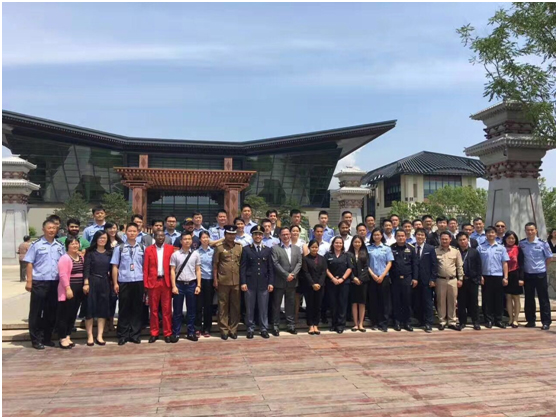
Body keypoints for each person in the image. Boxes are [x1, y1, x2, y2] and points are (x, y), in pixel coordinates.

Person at [24, 219, 65, 350]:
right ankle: (36, 339)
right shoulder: (36, 245)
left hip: (55, 282)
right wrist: (29, 281)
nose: (52, 230)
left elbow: (64, 262)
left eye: (54, 228)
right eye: (49, 228)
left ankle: (47, 337)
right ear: (43, 229)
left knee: (51, 311)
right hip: (39, 282)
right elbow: (29, 263)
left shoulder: (59, 245)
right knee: (36, 312)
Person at [111, 223, 146, 345]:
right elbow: (115, 266)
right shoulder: (119, 248)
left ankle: (135, 334)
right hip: (124, 281)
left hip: (138, 281)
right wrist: (115, 283)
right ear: (126, 232)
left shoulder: (142, 248)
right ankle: (123, 335)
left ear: (138, 233)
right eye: (130, 231)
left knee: (137, 308)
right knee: (123, 308)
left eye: (134, 231)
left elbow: (145, 266)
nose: (132, 233)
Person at [240, 225, 274, 339]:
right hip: (250, 283)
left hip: (263, 284)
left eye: (260, 234)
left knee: (263, 308)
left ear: (262, 236)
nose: (258, 236)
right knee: (250, 308)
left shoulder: (267, 250)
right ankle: (250, 329)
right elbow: (243, 268)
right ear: (252, 236)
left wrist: (271, 282)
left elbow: (270, 268)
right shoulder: (246, 249)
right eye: (255, 234)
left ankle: (264, 329)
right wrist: (243, 282)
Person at [520, 222, 553, 330]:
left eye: (532, 230)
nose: (530, 232)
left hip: (540, 274)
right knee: (529, 298)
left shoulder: (543, 243)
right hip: (527, 274)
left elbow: (549, 257)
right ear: (525, 231)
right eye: (528, 230)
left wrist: (543, 267)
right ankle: (530, 320)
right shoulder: (522, 244)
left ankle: (546, 322)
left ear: (536, 230)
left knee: (543, 298)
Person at [170, 231, 201, 342]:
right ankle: (176, 333)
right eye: (185, 239)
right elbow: (172, 270)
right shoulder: (175, 255)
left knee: (191, 311)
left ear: (191, 241)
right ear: (181, 241)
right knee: (177, 311)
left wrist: (198, 285)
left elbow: (198, 270)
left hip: (192, 284)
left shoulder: (196, 254)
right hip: (179, 285)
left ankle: (191, 332)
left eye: (189, 239)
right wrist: (173, 286)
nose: (187, 241)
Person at [213, 225, 243, 340]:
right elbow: (215, 265)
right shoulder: (219, 247)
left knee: (235, 306)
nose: (231, 236)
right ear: (225, 235)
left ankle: (233, 329)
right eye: (229, 234)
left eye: (233, 234)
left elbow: (241, 264)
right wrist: (215, 280)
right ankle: (224, 330)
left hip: (236, 281)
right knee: (223, 306)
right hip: (223, 281)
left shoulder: (239, 247)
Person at [143, 230, 174, 343]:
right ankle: (154, 333)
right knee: (154, 309)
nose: (160, 237)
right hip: (153, 282)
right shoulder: (148, 249)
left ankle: (167, 333)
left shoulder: (170, 249)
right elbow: (145, 267)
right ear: (154, 237)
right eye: (158, 236)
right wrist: (145, 284)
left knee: (167, 309)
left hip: (166, 282)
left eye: (162, 236)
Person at [271, 227, 302, 335]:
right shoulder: (275, 248)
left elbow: (299, 263)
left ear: (290, 235)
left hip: (292, 281)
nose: (285, 236)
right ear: (279, 236)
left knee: (290, 304)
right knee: (276, 305)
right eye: (283, 234)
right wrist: (286, 275)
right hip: (279, 281)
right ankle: (275, 326)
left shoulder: (297, 248)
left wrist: (293, 274)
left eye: (287, 234)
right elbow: (275, 263)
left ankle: (290, 325)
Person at [83, 231, 112, 346]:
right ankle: (90, 335)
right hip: (92, 281)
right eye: (100, 238)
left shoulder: (110, 253)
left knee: (102, 309)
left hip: (105, 282)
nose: (102, 240)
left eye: (104, 238)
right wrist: (86, 282)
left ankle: (100, 335)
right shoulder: (90, 252)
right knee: (89, 309)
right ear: (96, 239)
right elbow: (86, 268)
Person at [478, 226, 509, 329]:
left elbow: (504, 263)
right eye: (488, 233)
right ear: (485, 234)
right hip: (485, 276)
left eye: (492, 232)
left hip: (498, 276)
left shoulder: (501, 248)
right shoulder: (480, 247)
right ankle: (488, 320)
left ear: (496, 234)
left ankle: (498, 320)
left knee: (498, 299)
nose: (490, 234)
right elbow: (478, 263)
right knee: (487, 299)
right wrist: (480, 275)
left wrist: (505, 277)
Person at [56, 237, 84, 349]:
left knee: (73, 314)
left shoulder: (81, 257)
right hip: (69, 288)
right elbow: (62, 275)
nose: (75, 245)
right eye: (72, 244)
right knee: (64, 314)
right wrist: (67, 288)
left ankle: (68, 335)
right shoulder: (65, 258)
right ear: (67, 245)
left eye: (76, 243)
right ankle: (62, 337)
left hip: (79, 289)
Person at [390, 230, 419, 332]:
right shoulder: (391, 248)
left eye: (402, 236)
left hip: (408, 279)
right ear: (395, 237)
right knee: (396, 301)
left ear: (406, 237)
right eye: (398, 236)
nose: (401, 238)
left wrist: (415, 278)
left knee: (407, 301)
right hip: (395, 279)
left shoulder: (411, 248)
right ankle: (397, 322)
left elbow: (415, 264)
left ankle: (407, 322)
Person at [435, 231, 463, 331]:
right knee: (441, 301)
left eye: (446, 239)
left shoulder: (455, 251)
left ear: (450, 239)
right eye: (442, 239)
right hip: (440, 279)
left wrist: (460, 279)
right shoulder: (435, 251)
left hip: (452, 280)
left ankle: (452, 321)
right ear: (440, 240)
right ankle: (442, 321)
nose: (444, 241)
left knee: (452, 301)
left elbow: (459, 266)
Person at [367, 227, 393, 332]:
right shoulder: (368, 248)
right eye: (374, 235)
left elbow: (389, 263)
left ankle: (384, 323)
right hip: (372, 277)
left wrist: (382, 275)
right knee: (373, 301)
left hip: (384, 277)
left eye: (378, 234)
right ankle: (374, 322)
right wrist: (373, 275)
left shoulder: (387, 248)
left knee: (384, 301)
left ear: (382, 236)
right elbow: (366, 264)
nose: (376, 236)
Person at [325, 236, 353, 334]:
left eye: (340, 243)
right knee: (333, 304)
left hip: (344, 283)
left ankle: (341, 325)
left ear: (343, 244)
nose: (338, 244)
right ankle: (334, 324)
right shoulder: (328, 255)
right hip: (331, 282)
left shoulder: (347, 255)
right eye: (336, 243)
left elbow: (350, 268)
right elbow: (325, 268)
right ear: (333, 244)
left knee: (342, 304)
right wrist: (333, 278)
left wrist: (342, 279)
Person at [455, 232, 482, 331]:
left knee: (474, 302)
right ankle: (462, 322)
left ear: (468, 240)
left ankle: (476, 322)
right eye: (460, 240)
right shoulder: (455, 252)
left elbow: (479, 266)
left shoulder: (474, 252)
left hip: (472, 280)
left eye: (464, 239)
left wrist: (478, 278)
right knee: (461, 302)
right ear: (457, 241)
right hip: (460, 281)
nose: (462, 242)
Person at [413, 228, 437, 333]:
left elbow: (434, 264)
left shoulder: (430, 248)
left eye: (422, 235)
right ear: (415, 236)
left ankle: (428, 323)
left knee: (427, 302)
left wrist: (433, 279)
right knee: (417, 301)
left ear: (425, 237)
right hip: (414, 280)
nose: (420, 237)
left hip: (427, 280)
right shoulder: (411, 247)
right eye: (418, 235)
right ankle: (421, 320)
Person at [302, 240, 327, 335]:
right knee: (310, 306)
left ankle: (316, 324)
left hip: (320, 286)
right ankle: (310, 325)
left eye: (316, 247)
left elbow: (324, 272)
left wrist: (319, 283)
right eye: (312, 247)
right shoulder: (305, 259)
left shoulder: (322, 258)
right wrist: (312, 284)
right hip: (309, 286)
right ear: (309, 248)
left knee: (318, 305)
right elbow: (306, 272)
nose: (314, 249)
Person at [195, 231, 215, 338]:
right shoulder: (196, 252)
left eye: (207, 237)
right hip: (199, 280)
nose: (205, 239)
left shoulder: (213, 252)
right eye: (203, 237)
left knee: (208, 306)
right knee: (198, 305)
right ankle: (197, 328)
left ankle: (207, 328)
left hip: (210, 280)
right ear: (200, 239)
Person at [503, 231, 524, 329]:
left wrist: (521, 278)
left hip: (516, 274)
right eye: (509, 238)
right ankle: (510, 318)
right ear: (505, 239)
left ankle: (516, 319)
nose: (511, 240)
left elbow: (522, 264)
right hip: (506, 275)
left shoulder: (518, 249)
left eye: (513, 238)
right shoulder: (502, 249)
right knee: (508, 297)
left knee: (516, 297)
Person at [348, 236, 369, 332]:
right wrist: (353, 278)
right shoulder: (349, 254)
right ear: (352, 243)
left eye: (359, 242)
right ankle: (355, 324)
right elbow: (348, 267)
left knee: (362, 302)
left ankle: (361, 324)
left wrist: (360, 279)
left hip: (363, 281)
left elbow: (367, 267)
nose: (357, 244)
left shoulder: (365, 253)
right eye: (355, 242)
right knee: (354, 302)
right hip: (353, 281)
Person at [290, 225, 308, 324]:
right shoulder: (287, 242)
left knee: (297, 295)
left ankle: (296, 316)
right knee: (289, 294)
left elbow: (305, 258)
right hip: (288, 271)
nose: (295, 233)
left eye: (297, 231)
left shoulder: (302, 243)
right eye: (293, 231)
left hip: (299, 272)